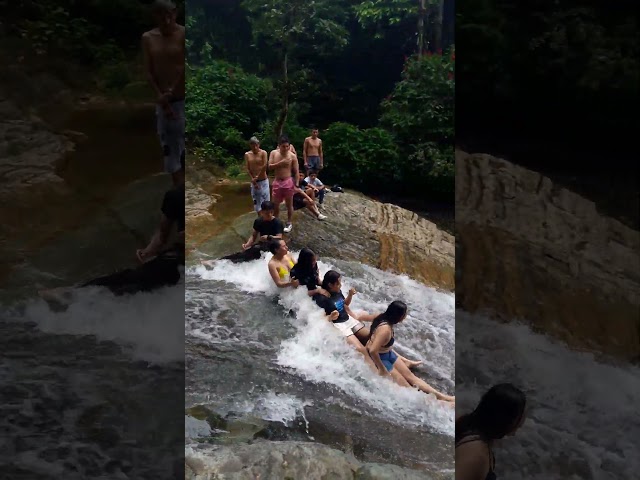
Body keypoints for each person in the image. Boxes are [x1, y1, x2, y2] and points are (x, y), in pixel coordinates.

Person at [39, 183, 185, 302]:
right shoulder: (176, 196)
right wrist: (148, 251)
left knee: (133, 281)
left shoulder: (178, 195)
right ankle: (73, 294)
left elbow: (164, 236)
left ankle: (73, 295)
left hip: (184, 261)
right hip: (180, 262)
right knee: (131, 279)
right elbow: (162, 235)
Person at [312, 271, 422, 370]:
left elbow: (344, 304)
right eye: (338, 283)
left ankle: (404, 361)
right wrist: (330, 317)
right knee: (362, 350)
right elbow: (318, 318)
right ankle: (378, 372)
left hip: (348, 320)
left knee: (373, 338)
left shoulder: (337, 291)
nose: (340, 285)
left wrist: (350, 296)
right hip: (339, 325)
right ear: (331, 285)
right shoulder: (322, 298)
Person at [366, 301, 455, 403]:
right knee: (407, 387)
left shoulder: (382, 317)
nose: (405, 316)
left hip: (387, 353)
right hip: (380, 358)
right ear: (398, 316)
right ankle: (438, 404)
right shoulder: (385, 330)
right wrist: (381, 368)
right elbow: (373, 350)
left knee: (411, 377)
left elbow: (365, 317)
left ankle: (443, 397)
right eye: (404, 314)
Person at [142, 0, 185, 187]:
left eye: (170, 16)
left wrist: (172, 90)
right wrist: (161, 96)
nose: (167, 21)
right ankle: (178, 191)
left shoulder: (183, 33)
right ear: (155, 17)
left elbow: (186, 67)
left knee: (183, 144)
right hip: (163, 101)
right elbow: (148, 70)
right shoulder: (148, 38)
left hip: (182, 97)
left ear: (175, 14)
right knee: (168, 147)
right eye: (162, 16)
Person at [455, 384, 527, 480]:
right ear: (507, 419)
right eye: (522, 414)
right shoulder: (476, 454)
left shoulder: (467, 425)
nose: (523, 421)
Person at [209, 201, 284, 264]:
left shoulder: (277, 222)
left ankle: (218, 262)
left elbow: (279, 237)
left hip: (273, 247)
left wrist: (268, 237)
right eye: (267, 213)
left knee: (250, 253)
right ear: (262, 212)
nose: (270, 215)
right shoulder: (258, 221)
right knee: (243, 254)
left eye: (271, 212)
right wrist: (247, 244)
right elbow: (253, 236)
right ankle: (218, 262)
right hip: (262, 245)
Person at [269, 135, 299, 233]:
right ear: (279, 146)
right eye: (283, 146)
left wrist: (297, 183)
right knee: (275, 204)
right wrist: (280, 163)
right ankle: (275, 222)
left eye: (287, 146)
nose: (285, 148)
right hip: (277, 181)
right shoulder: (274, 153)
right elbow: (269, 167)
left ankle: (289, 222)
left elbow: (296, 171)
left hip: (288, 181)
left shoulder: (292, 156)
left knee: (289, 204)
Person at [246, 137, 269, 215]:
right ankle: (260, 219)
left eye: (256, 145)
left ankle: (267, 218)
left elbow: (265, 165)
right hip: (254, 181)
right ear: (250, 146)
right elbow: (248, 168)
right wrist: (253, 179)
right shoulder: (247, 154)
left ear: (259, 145)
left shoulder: (263, 153)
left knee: (266, 202)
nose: (255, 148)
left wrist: (257, 177)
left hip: (263, 180)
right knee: (256, 203)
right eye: (253, 146)